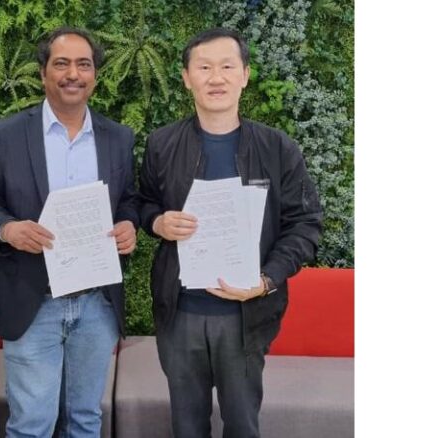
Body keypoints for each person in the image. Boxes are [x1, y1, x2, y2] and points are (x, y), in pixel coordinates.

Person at [138, 28, 323, 437]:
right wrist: (157, 222)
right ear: (186, 78)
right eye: (204, 68)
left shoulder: (277, 148)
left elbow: (305, 224)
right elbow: (143, 203)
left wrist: (266, 280)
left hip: (246, 315)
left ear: (245, 75)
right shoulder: (162, 144)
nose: (216, 77)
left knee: (242, 425)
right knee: (187, 427)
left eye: (226, 66)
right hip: (180, 313)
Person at [0, 27, 139, 438]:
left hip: (97, 303)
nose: (73, 74)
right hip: (32, 301)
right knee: (31, 426)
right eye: (61, 63)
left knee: (85, 420)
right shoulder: (5, 135)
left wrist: (129, 225)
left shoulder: (118, 138)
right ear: (43, 73)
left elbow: (129, 200)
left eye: (84, 64)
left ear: (95, 74)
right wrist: (7, 229)